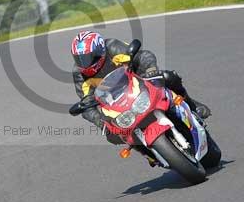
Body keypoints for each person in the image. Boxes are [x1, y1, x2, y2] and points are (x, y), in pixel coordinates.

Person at [70, 30, 211, 141]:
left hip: (140, 80)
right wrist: (100, 122)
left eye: (89, 57)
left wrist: (151, 72)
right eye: (80, 59)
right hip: (115, 102)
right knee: (112, 135)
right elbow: (86, 103)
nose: (85, 63)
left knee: (169, 77)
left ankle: (193, 107)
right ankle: (147, 151)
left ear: (100, 50)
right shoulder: (79, 73)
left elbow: (143, 56)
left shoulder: (112, 47)